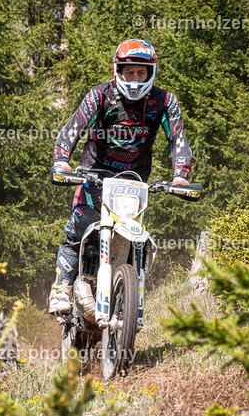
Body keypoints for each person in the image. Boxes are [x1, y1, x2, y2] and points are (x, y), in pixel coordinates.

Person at [48, 39, 192, 314]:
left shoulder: (164, 101)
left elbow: (178, 138)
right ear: (118, 71)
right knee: (81, 224)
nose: (135, 78)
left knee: (136, 237)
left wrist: (180, 176)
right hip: (94, 174)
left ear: (151, 73)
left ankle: (128, 293)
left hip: (134, 181)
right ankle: (61, 287)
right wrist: (61, 161)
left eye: (141, 72)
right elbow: (73, 128)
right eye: (130, 72)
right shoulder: (100, 95)